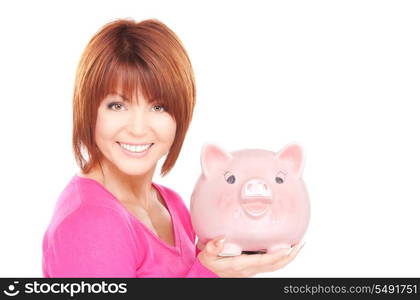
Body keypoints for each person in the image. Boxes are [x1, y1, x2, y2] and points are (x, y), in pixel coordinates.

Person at [42, 18, 304, 278]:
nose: (138, 128)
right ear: (88, 110)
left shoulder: (172, 205)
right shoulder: (90, 223)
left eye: (158, 107)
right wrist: (214, 276)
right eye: (117, 105)